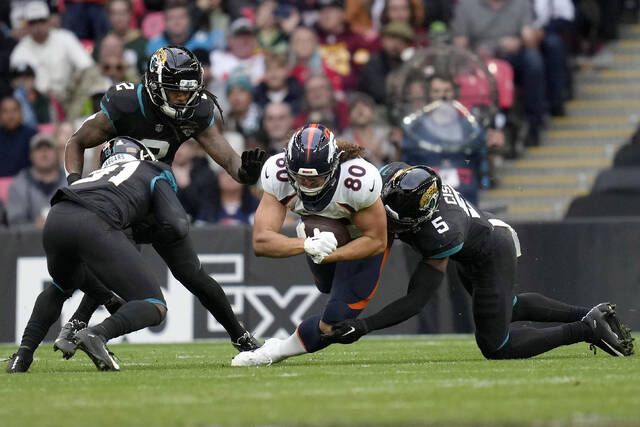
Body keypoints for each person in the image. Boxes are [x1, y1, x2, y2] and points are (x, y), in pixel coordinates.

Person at [57, 46, 266, 354]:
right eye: (175, 92)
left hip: (154, 199)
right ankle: (76, 325)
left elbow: (229, 161)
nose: (183, 100)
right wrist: (77, 184)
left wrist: (246, 173)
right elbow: (77, 141)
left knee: (191, 273)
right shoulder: (127, 103)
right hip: (116, 198)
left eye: (188, 93)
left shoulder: (197, 111)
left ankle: (240, 336)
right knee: (120, 256)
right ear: (155, 85)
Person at [322, 163, 635, 359]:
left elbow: (418, 299)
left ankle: (585, 329)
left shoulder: (440, 235)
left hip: (489, 254)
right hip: (479, 240)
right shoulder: (398, 177)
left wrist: (365, 325)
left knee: (497, 345)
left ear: (417, 218)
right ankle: (589, 314)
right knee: (508, 307)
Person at [6, 137, 185, 373]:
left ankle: (22, 356)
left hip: (57, 216)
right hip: (95, 222)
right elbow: (178, 225)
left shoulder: (96, 175)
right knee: (154, 305)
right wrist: (152, 233)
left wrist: (106, 297)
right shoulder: (154, 169)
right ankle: (95, 334)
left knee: (61, 285)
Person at [231, 124, 387, 367]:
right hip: (319, 236)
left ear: (334, 167)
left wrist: (329, 255)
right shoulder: (278, 173)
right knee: (325, 282)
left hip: (359, 242)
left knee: (334, 323)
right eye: (301, 176)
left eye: (316, 177)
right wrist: (308, 244)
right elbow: (261, 241)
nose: (308, 183)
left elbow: (377, 240)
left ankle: (275, 350)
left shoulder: (357, 180)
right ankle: (313, 235)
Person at [9, 1, 94, 105]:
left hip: (70, 96)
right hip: (38, 103)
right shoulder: (20, 51)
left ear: (49, 21)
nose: (38, 26)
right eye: (33, 22)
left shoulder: (66, 37)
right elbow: (17, 84)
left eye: (41, 21)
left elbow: (87, 66)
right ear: (27, 25)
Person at [7, 134, 67, 228]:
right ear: (31, 155)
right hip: (29, 241)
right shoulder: (18, 185)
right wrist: (34, 226)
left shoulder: (71, 182)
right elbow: (14, 223)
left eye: (49, 147)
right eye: (39, 148)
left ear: (57, 154)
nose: (44, 152)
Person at [0, 96, 36, 177]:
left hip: (26, 185)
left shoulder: (33, 136)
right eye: (5, 111)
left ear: (21, 113)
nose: (10, 115)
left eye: (14, 110)